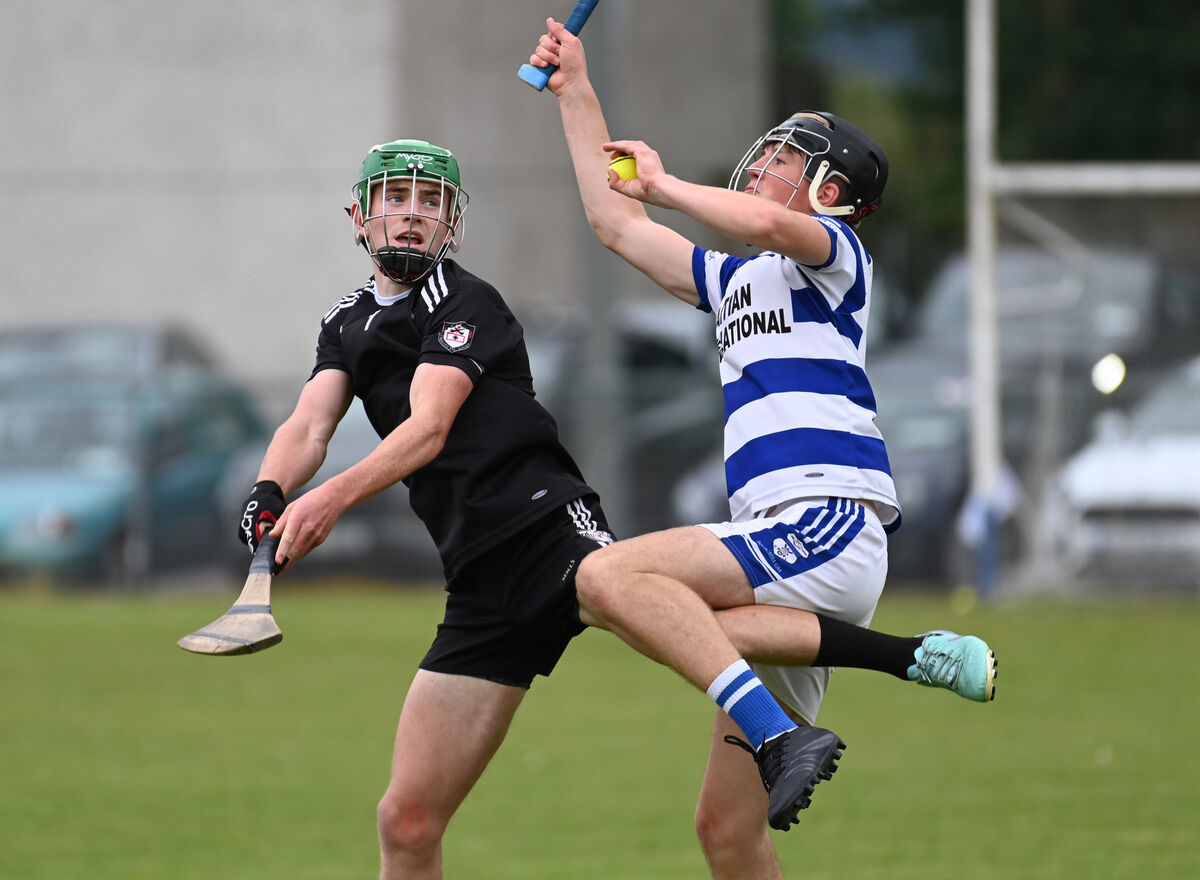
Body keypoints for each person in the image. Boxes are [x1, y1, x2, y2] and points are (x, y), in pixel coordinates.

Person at [236, 135, 993, 880]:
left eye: (428, 200)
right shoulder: (347, 319)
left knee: (620, 590)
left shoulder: (464, 300)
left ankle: (802, 721)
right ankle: (910, 657)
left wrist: (331, 495)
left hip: (557, 524)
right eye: (395, 200)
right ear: (358, 215)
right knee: (412, 821)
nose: (410, 216)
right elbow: (308, 424)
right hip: (482, 573)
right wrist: (271, 490)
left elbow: (429, 428)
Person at [528, 18, 997, 879]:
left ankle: (787, 736)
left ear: (828, 192)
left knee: (605, 579)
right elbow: (619, 227)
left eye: (788, 160)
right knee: (727, 834)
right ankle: (905, 660)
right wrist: (578, 93)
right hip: (777, 541)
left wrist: (668, 185)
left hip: (824, 517)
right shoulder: (736, 279)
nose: (764, 164)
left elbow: (766, 226)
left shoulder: (834, 255)